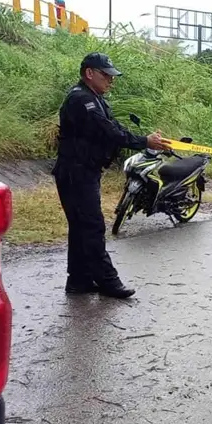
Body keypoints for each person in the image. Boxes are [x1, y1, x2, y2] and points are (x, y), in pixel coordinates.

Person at [53, 52, 171, 298]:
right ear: (90, 73)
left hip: (84, 172)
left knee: (80, 227)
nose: (111, 80)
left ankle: (79, 280)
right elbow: (108, 132)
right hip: (76, 174)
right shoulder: (81, 100)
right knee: (93, 227)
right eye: (106, 75)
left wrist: (147, 141)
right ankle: (108, 281)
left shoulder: (95, 99)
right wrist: (144, 141)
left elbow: (115, 126)